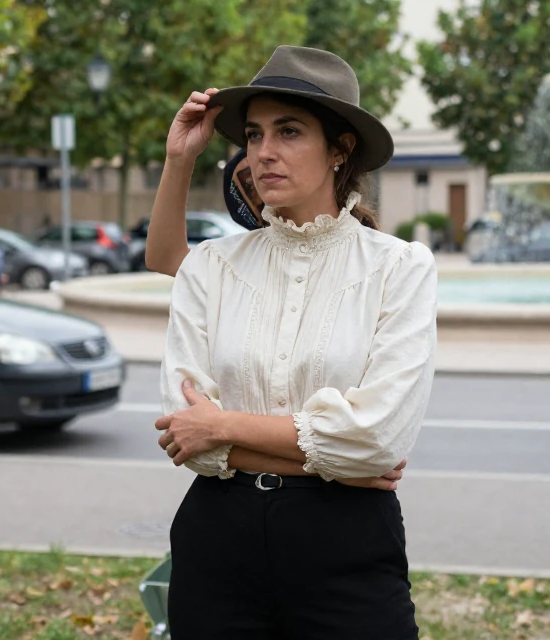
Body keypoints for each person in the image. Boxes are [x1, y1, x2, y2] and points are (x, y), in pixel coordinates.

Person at [152, 46, 438, 638]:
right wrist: (339, 465)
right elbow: (186, 436)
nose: (263, 152)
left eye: (289, 131)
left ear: (340, 149)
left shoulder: (400, 267)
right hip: (216, 544)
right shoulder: (211, 267)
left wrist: (223, 426)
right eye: (254, 134)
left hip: (347, 546)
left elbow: (376, 440)